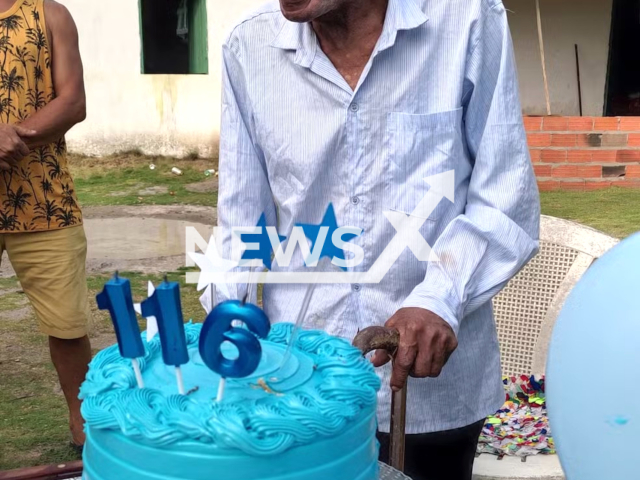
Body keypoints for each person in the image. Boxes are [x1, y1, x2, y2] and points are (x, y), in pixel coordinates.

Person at [216, 0, 540, 478]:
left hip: (432, 393)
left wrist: (438, 298)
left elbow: (504, 197)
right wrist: (230, 315)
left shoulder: (467, 19)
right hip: (300, 389)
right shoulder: (248, 46)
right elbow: (242, 219)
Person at [0, 0, 89, 450]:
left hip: (44, 199)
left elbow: (73, 101)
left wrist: (10, 137)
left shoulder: (49, 15)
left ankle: (83, 428)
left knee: (68, 324)